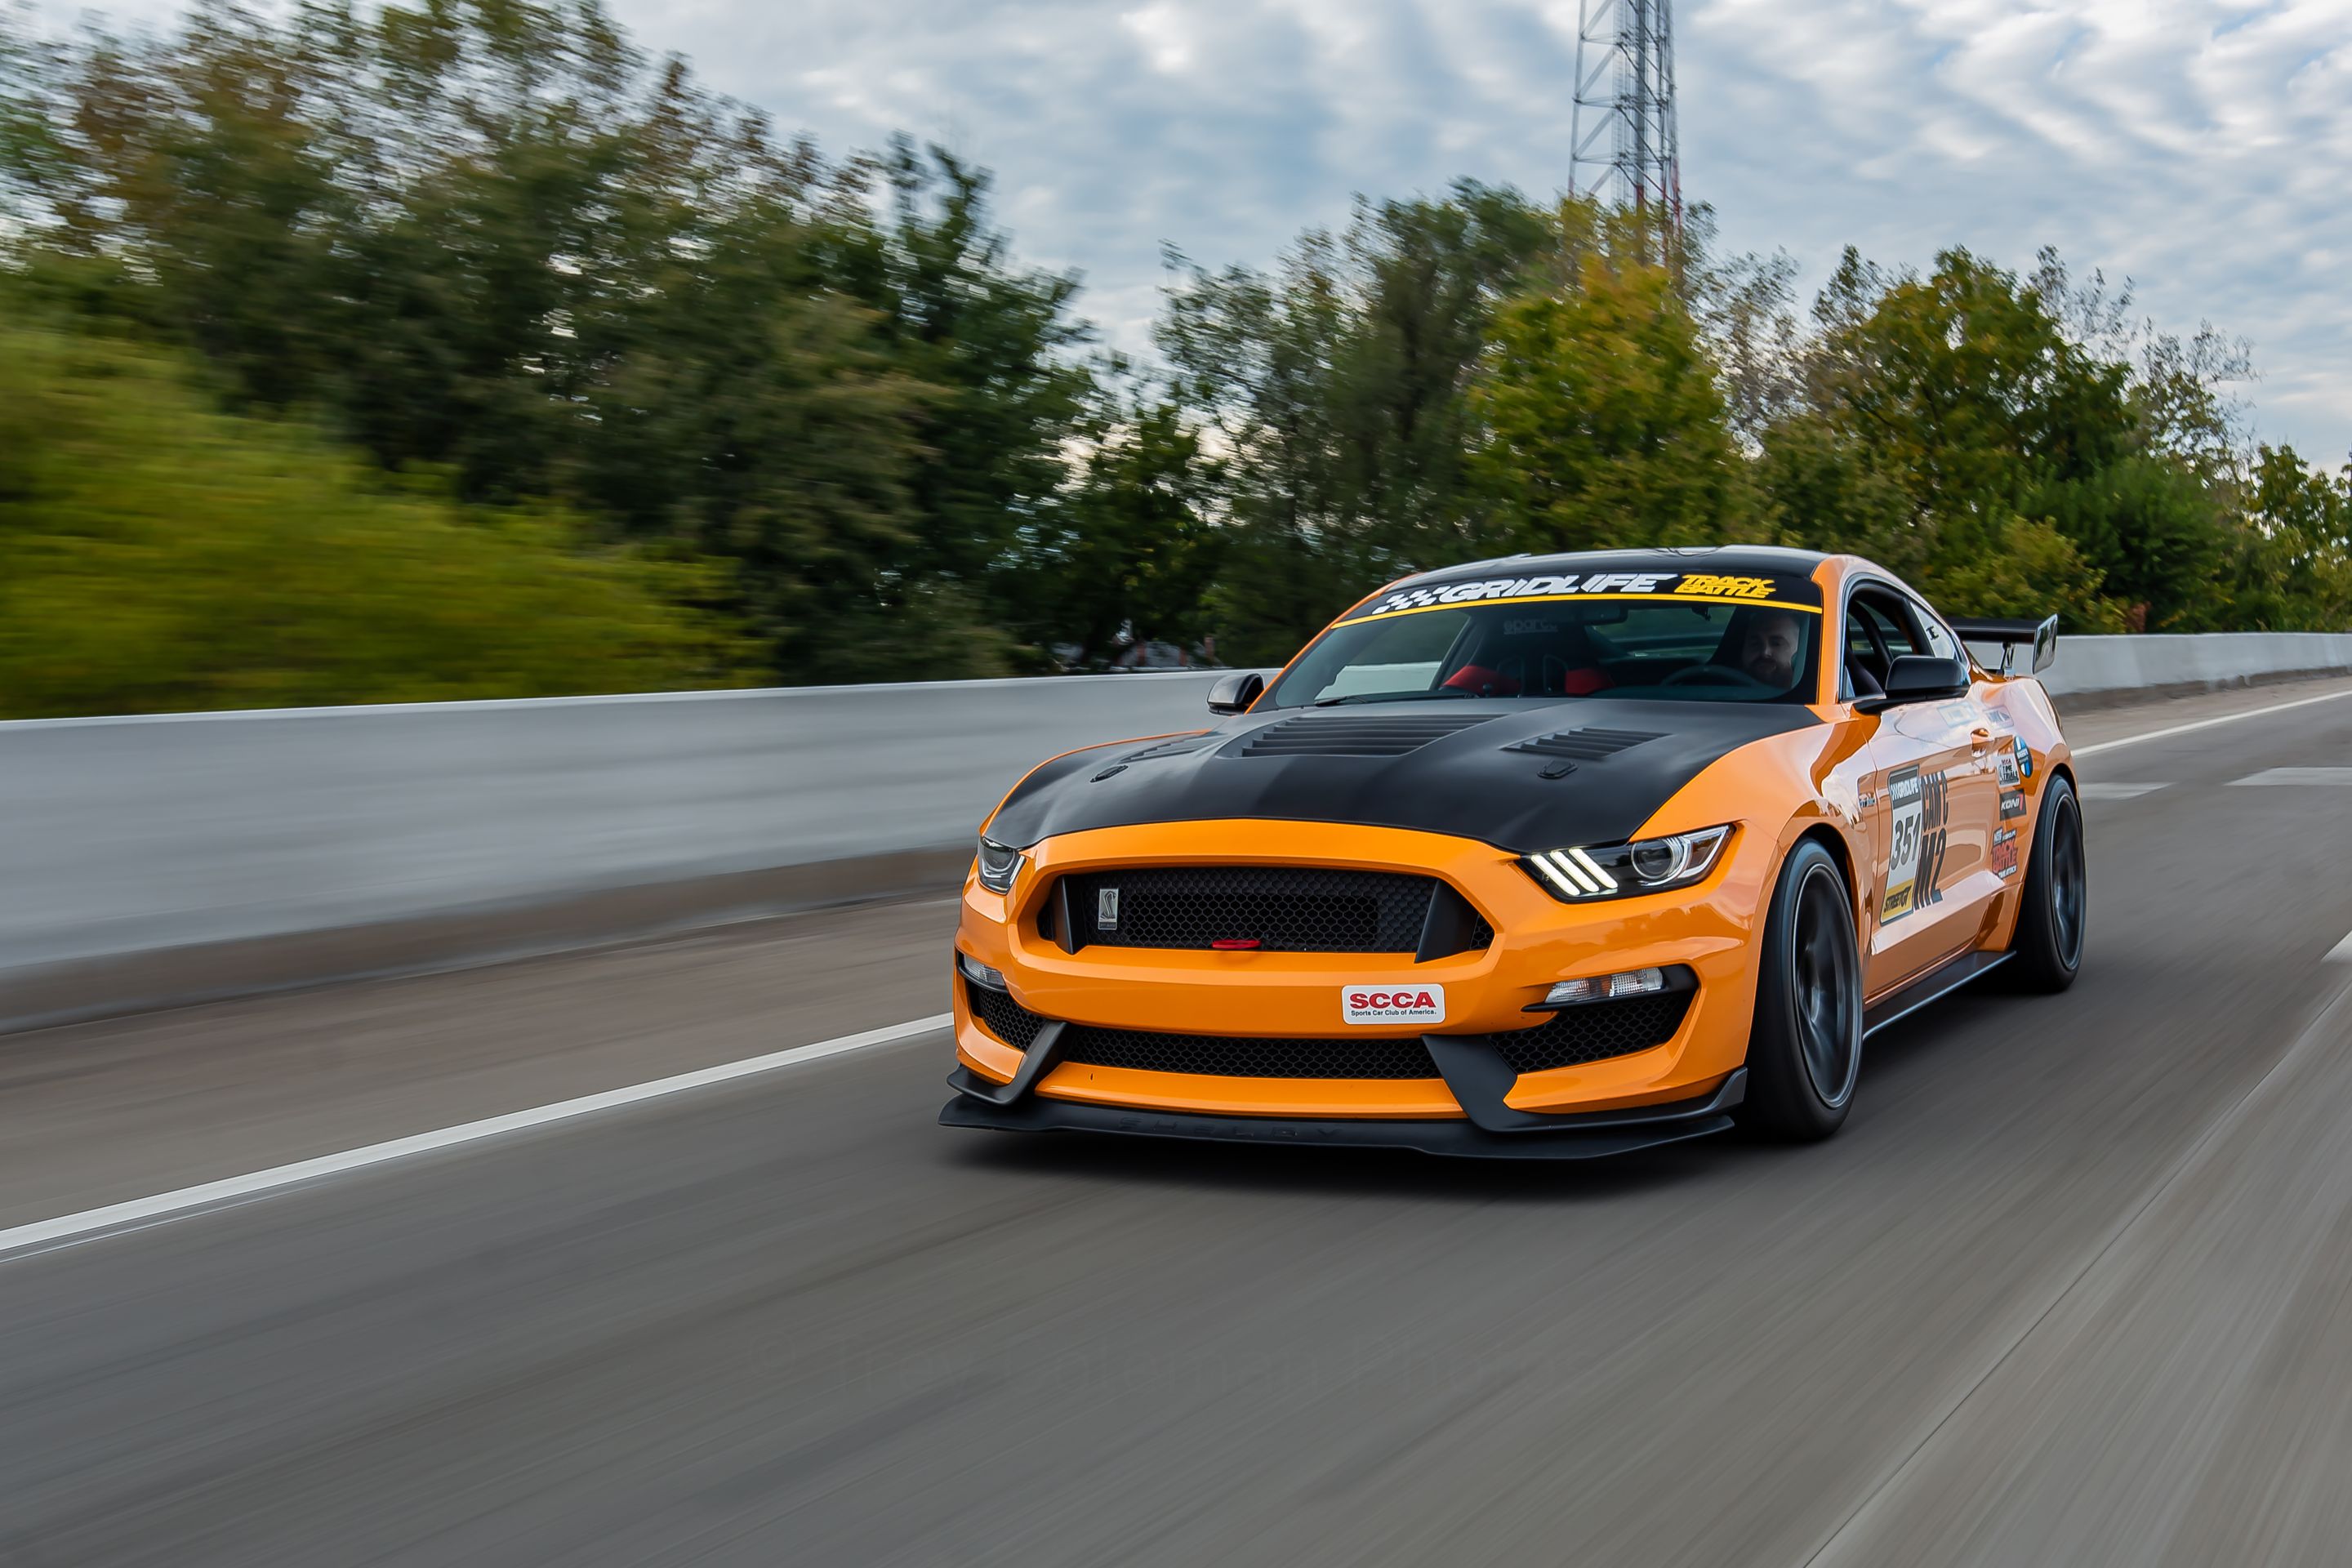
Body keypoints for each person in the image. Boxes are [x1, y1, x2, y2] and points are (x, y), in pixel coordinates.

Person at [1740, 610, 1802, 689]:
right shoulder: (1723, 690)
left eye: (1776, 644)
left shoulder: (1817, 696)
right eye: (1755, 644)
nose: (1765, 652)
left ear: (1800, 651)